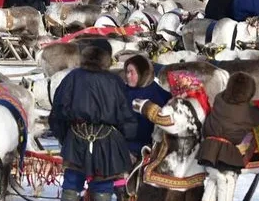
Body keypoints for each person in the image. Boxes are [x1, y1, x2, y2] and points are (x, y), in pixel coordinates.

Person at [49, 42, 137, 201]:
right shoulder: (114, 81)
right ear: (106, 59)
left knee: (72, 183)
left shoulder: (72, 77)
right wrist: (126, 141)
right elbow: (126, 115)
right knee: (102, 184)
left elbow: (58, 110)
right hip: (107, 142)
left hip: (76, 138)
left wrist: (65, 138)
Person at [197, 72, 259, 201]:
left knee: (213, 182)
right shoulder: (248, 112)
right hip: (226, 155)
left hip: (208, 150)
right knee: (227, 181)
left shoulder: (219, 98)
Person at [123, 55, 171, 160]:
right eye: (127, 72)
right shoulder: (122, 91)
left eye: (132, 72)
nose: (128, 76)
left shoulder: (157, 94)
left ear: (142, 74)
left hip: (143, 146)